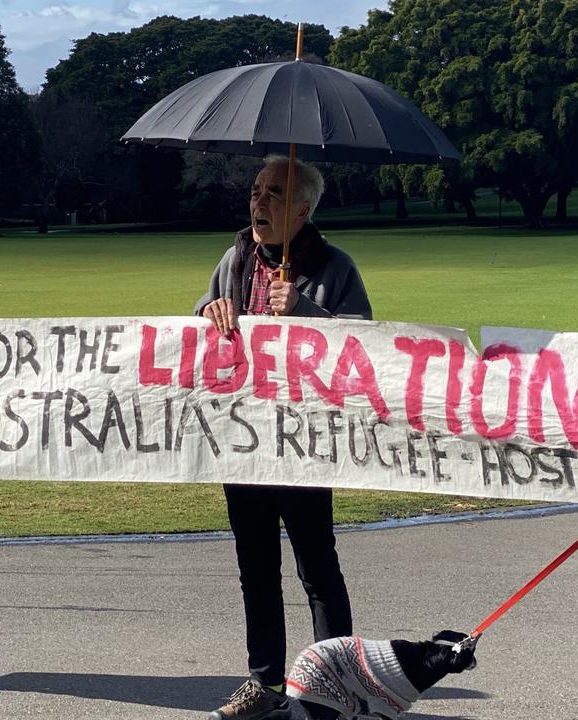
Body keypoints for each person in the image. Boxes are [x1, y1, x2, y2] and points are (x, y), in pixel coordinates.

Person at [198, 156, 370, 720]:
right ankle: (265, 685)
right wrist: (210, 308)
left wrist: (304, 310)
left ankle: (333, 689)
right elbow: (197, 329)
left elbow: (367, 348)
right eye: (256, 191)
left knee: (318, 571)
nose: (259, 202)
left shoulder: (336, 266)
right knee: (256, 571)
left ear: (304, 209)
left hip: (304, 443)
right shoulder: (233, 258)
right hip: (243, 441)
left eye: (275, 194)